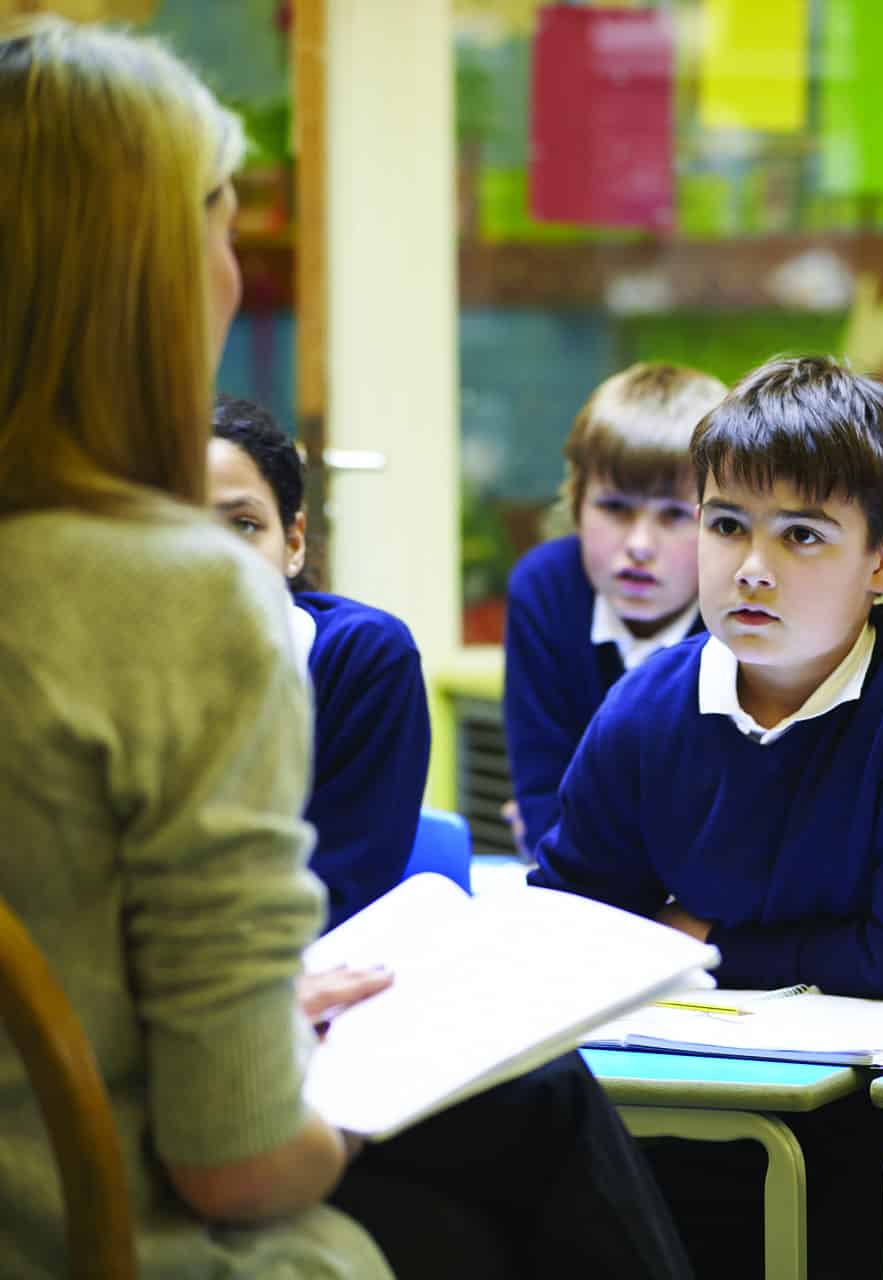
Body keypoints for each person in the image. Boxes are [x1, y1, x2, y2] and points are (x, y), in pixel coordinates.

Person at [0, 19, 688, 1278]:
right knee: (514, 1137)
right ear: (145, 276)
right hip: (101, 1229)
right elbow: (238, 1161)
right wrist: (347, 1107)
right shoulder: (175, 599)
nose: (232, 266)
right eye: (217, 217)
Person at [530, 354, 883, 1275]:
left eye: (803, 536)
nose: (752, 569)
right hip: (726, 1098)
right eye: (727, 525)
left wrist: (701, 943)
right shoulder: (647, 708)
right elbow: (572, 928)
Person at [209, 395, 429, 930]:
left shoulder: (364, 659)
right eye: (177, 527)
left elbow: (345, 894)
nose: (210, 558)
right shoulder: (110, 667)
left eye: (242, 525)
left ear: (293, 542)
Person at [502, 362, 725, 855]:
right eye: (616, 508)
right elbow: (543, 802)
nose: (640, 545)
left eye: (673, 515)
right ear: (576, 501)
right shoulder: (544, 589)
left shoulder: (743, 609)